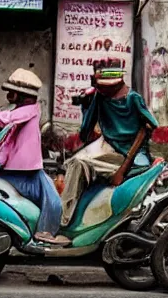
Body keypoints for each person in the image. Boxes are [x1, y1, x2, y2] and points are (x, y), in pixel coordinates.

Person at [0, 68, 69, 245]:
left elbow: (4, 119)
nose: (9, 95)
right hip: (19, 171)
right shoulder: (22, 112)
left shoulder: (28, 111)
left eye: (12, 92)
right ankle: (44, 233)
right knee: (53, 202)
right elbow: (5, 132)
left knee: (54, 202)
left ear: (21, 95)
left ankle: (43, 231)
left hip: (25, 171)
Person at [60, 58, 158, 226]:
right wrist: (87, 106)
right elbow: (86, 131)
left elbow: (147, 128)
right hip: (108, 147)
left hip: (131, 153)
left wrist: (124, 166)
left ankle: (63, 222)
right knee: (74, 164)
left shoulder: (132, 99)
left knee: (79, 164)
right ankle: (65, 221)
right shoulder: (100, 97)